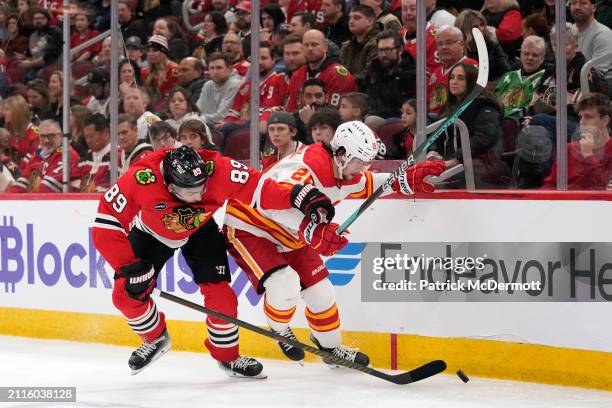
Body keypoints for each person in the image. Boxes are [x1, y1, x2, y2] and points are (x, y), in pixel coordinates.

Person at [223, 121, 446, 365]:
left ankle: (330, 348)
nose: (362, 168)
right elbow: (270, 202)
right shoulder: (306, 167)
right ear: (341, 154)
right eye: (359, 161)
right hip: (252, 227)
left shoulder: (343, 170)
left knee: (322, 292)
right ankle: (279, 329)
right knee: (284, 285)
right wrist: (312, 229)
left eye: (365, 162)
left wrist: (402, 179)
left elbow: (369, 184)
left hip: (292, 236)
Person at [91, 145, 307, 377]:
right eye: (190, 192)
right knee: (125, 294)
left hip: (201, 229)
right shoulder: (140, 178)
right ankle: (155, 338)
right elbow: (105, 223)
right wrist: (129, 267)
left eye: (201, 187)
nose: (199, 196)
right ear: (170, 185)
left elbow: (260, 187)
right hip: (152, 234)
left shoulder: (219, 169)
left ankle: (228, 357)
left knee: (223, 299)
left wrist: (300, 197)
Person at [428, 62, 508, 188]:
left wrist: (455, 160)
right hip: (450, 164)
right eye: (452, 77)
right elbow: (436, 136)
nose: (454, 82)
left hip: (478, 166)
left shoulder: (485, 106)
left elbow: (484, 138)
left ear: (472, 82)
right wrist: (432, 152)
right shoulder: (448, 108)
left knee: (438, 184)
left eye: (461, 78)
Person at [542, 93, 612, 189]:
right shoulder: (569, 149)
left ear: (604, 121)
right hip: (567, 201)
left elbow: (601, 187)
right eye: (580, 117)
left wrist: (588, 155)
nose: (582, 122)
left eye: (588, 117)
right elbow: (551, 184)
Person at [286, 29, 356, 111]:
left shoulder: (338, 76)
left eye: (314, 44)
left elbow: (334, 113)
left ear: (325, 47)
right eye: (306, 45)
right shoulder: (297, 75)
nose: (310, 49)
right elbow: (291, 109)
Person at [6, 119, 80, 193]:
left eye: (50, 136)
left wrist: (25, 202)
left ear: (60, 136)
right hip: (36, 201)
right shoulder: (37, 155)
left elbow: (46, 189)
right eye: (42, 136)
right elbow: (21, 184)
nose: (46, 140)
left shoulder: (68, 155)